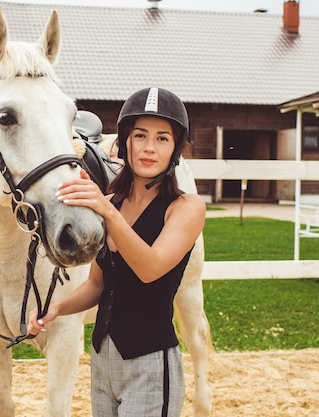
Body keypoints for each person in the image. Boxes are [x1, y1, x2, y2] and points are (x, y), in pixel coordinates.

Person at [28, 87, 205, 417]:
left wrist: (107, 212)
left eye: (162, 138)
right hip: (103, 361)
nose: (149, 147)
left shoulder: (186, 208)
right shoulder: (111, 204)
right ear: (126, 141)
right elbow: (97, 285)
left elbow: (151, 269)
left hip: (151, 365)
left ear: (175, 148)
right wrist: (56, 309)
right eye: (140, 135)